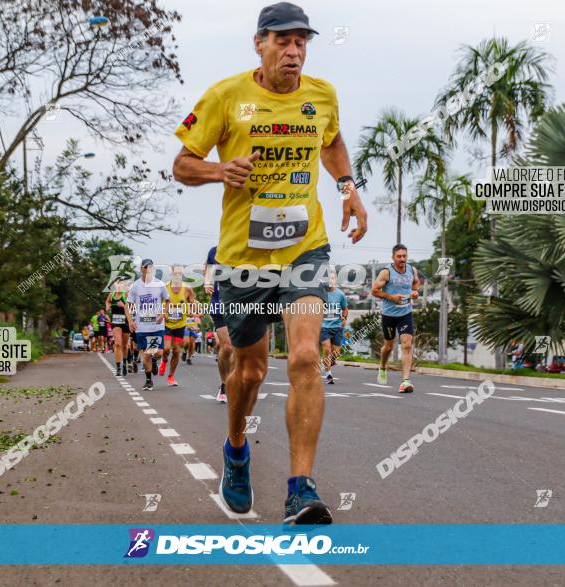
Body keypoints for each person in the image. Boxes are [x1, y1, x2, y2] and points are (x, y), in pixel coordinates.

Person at [172, 2, 367, 524]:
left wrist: (349, 189)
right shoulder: (226, 96)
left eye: (301, 41)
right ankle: (236, 448)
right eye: (282, 40)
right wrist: (219, 170)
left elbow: (332, 142)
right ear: (259, 43)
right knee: (250, 371)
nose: (294, 50)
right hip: (243, 259)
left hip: (305, 248)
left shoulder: (321, 96)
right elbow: (181, 164)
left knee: (305, 355)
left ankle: (300, 488)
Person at [371, 244, 419, 393]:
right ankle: (383, 367)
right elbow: (374, 290)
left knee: (406, 345)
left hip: (405, 314)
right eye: (399, 256)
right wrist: (391, 297)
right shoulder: (386, 272)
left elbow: (416, 282)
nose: (402, 259)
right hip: (389, 315)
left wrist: (415, 292)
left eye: (404, 256)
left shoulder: (412, 270)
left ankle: (406, 381)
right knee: (388, 347)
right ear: (393, 257)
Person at [127, 259, 169, 391]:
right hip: (142, 326)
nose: (147, 270)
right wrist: (130, 321)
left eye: (150, 267)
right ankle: (149, 380)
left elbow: (167, 301)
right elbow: (128, 306)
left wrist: (163, 314)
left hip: (157, 326)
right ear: (141, 269)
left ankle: (155, 361)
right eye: (145, 267)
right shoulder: (135, 286)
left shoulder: (160, 285)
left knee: (159, 353)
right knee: (145, 353)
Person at [159, 264, 195, 386]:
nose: (178, 276)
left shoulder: (187, 289)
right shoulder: (164, 288)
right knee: (166, 349)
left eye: (180, 274)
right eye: (176, 274)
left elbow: (191, 301)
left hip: (180, 325)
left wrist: (190, 310)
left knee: (176, 351)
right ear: (171, 274)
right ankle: (164, 361)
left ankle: (171, 377)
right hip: (167, 324)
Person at [205, 245, 233, 403]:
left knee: (240, 349)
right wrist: (207, 282)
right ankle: (224, 384)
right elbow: (208, 266)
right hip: (219, 304)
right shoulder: (215, 250)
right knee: (227, 347)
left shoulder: (249, 248)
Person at [319, 271, 348, 384]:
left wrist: (344, 318)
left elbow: (345, 308)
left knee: (335, 353)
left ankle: (331, 361)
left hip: (337, 327)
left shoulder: (340, 294)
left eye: (332, 279)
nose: (330, 281)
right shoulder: (320, 294)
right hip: (324, 326)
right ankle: (328, 375)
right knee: (327, 350)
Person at [106, 280, 131, 376]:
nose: (119, 285)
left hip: (126, 321)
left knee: (124, 345)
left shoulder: (126, 295)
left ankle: (124, 362)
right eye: (117, 283)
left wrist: (124, 305)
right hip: (115, 321)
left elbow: (133, 307)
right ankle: (118, 367)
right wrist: (107, 306)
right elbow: (107, 302)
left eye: (121, 284)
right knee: (117, 344)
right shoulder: (112, 295)